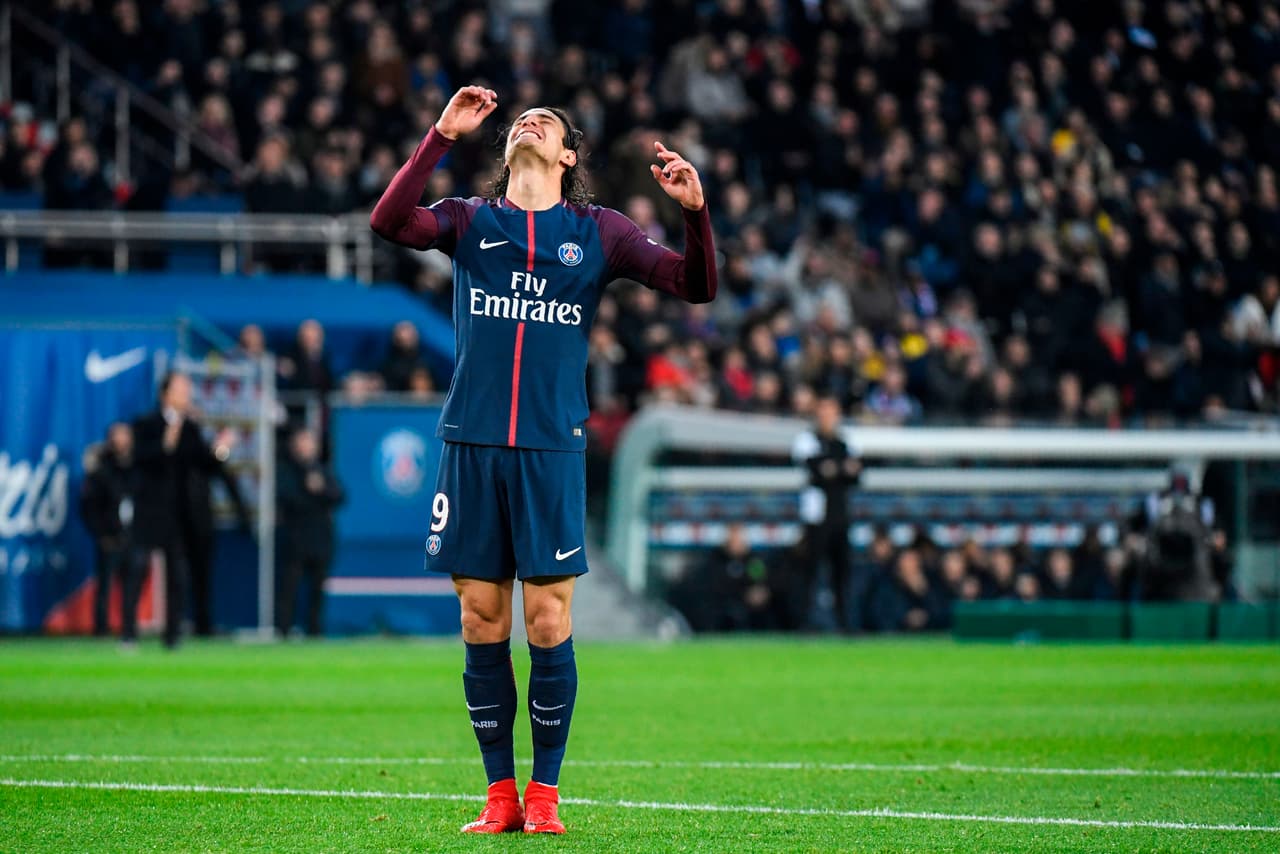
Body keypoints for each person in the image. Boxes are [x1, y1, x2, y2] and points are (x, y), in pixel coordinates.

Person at [370, 85, 716, 834]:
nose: (530, 122)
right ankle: (499, 795)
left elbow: (696, 286)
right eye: (521, 121)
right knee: (480, 615)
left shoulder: (600, 232)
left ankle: (546, 797)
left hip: (551, 446)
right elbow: (389, 221)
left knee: (550, 622)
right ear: (505, 150)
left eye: (548, 123)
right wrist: (438, 135)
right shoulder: (471, 219)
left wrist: (695, 213)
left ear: (568, 155)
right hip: (471, 442)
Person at [130, 373, 237, 649]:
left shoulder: (191, 427)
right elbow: (143, 459)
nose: (187, 394)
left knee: (177, 575)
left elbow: (206, 464)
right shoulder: (146, 424)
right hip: (149, 510)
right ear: (165, 394)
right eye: (181, 389)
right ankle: (128, 633)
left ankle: (172, 635)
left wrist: (221, 449)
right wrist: (170, 435)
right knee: (138, 569)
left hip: (179, 513)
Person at [790, 394, 862, 632]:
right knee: (810, 572)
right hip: (817, 517)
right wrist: (838, 469)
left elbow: (855, 474)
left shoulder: (845, 441)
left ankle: (844, 624)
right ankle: (804, 623)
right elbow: (817, 469)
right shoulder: (807, 439)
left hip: (840, 515)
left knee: (841, 573)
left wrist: (834, 469)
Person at [276, 427, 345, 637]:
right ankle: (284, 630)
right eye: (302, 442)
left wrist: (321, 489)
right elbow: (287, 498)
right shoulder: (287, 470)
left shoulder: (322, 470)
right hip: (296, 538)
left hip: (321, 538)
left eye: (309, 442)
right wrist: (310, 492)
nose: (306, 447)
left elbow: (340, 496)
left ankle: (315, 630)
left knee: (317, 588)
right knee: (290, 587)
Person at [79, 422, 138, 638]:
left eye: (125, 435)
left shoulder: (138, 467)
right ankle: (101, 629)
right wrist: (101, 534)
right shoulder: (101, 470)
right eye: (117, 435)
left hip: (133, 537)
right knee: (104, 585)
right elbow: (88, 507)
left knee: (132, 587)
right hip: (109, 537)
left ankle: (129, 629)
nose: (122, 440)